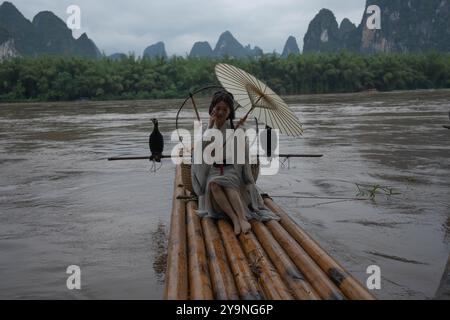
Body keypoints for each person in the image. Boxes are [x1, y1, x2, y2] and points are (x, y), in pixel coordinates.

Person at [191, 90, 279, 235]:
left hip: (231, 170)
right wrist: (211, 127)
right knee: (213, 184)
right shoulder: (207, 129)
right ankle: (235, 219)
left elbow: (242, 157)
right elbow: (200, 153)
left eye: (224, 109)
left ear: (230, 112)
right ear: (212, 109)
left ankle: (242, 219)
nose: (220, 112)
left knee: (228, 184)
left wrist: (237, 135)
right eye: (217, 108)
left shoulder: (235, 128)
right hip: (213, 171)